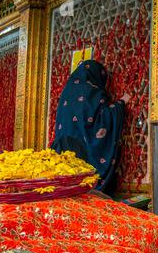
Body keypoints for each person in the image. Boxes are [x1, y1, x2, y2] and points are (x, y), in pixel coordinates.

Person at [51, 60, 130, 195]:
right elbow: (103, 120)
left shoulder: (66, 93)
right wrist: (121, 103)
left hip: (60, 162)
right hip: (83, 156)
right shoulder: (92, 92)